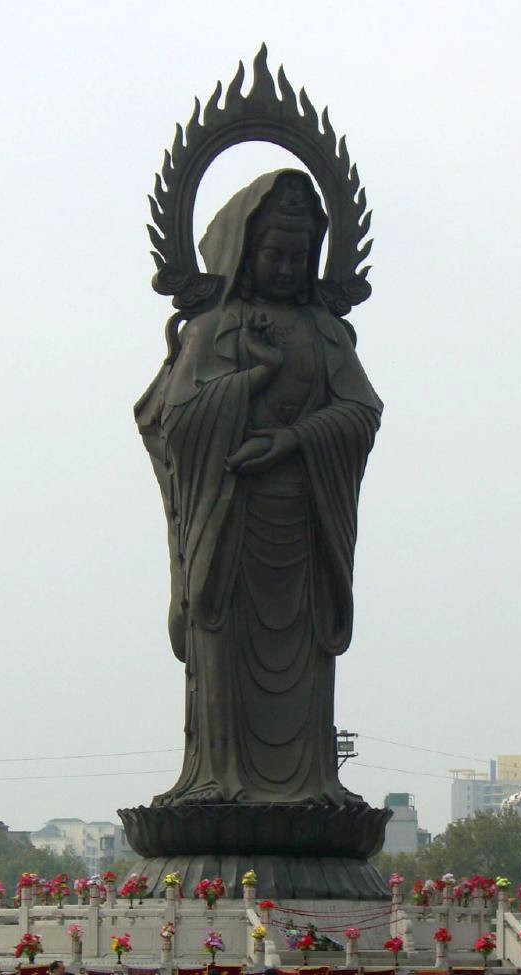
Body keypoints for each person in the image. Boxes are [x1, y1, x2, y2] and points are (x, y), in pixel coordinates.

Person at [134, 169, 382, 809]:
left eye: (298, 257)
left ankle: (312, 783)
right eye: (272, 253)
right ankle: (217, 777)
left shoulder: (324, 331)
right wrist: (255, 377)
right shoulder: (214, 327)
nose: (285, 267)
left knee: (303, 656)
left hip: (302, 521)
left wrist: (295, 439)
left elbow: (361, 411)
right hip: (230, 521)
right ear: (241, 252)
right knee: (222, 643)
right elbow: (175, 419)